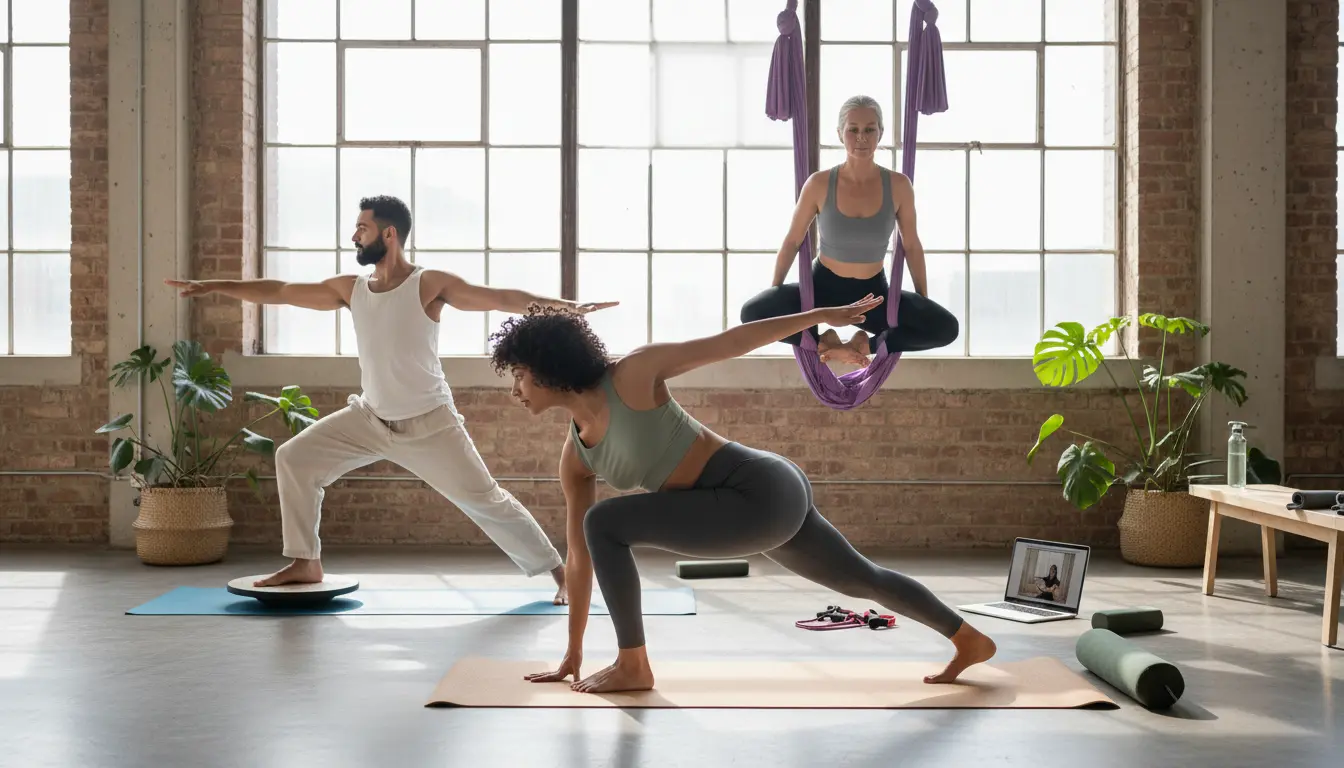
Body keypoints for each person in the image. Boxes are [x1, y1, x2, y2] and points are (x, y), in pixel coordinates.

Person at [489, 298, 996, 694]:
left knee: (605, 522)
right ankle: (967, 638)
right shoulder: (577, 457)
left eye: (519, 374)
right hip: (751, 504)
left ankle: (632, 664)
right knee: (860, 579)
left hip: (757, 490)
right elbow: (579, 559)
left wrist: (820, 316)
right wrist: (572, 652)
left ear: (548, 367)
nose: (515, 389)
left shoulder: (634, 374)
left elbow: (731, 342)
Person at [165, 195, 617, 602]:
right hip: (370, 418)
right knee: (294, 458)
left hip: (429, 423)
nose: (354, 236)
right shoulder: (351, 288)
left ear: (389, 233)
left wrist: (568, 308)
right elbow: (280, 291)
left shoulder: (428, 284)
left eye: (361, 228)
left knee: (487, 501)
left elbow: (499, 297)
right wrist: (213, 286)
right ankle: (306, 562)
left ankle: (561, 575)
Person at [740, 94, 959, 366]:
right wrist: (776, 293)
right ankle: (824, 342)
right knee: (752, 313)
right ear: (840, 134)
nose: (862, 138)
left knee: (946, 328)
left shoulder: (899, 185)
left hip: (872, 297)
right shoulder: (819, 183)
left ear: (881, 133)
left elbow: (912, 245)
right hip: (820, 291)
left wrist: (923, 301)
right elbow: (793, 240)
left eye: (869, 129)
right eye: (853, 130)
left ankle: (866, 344)